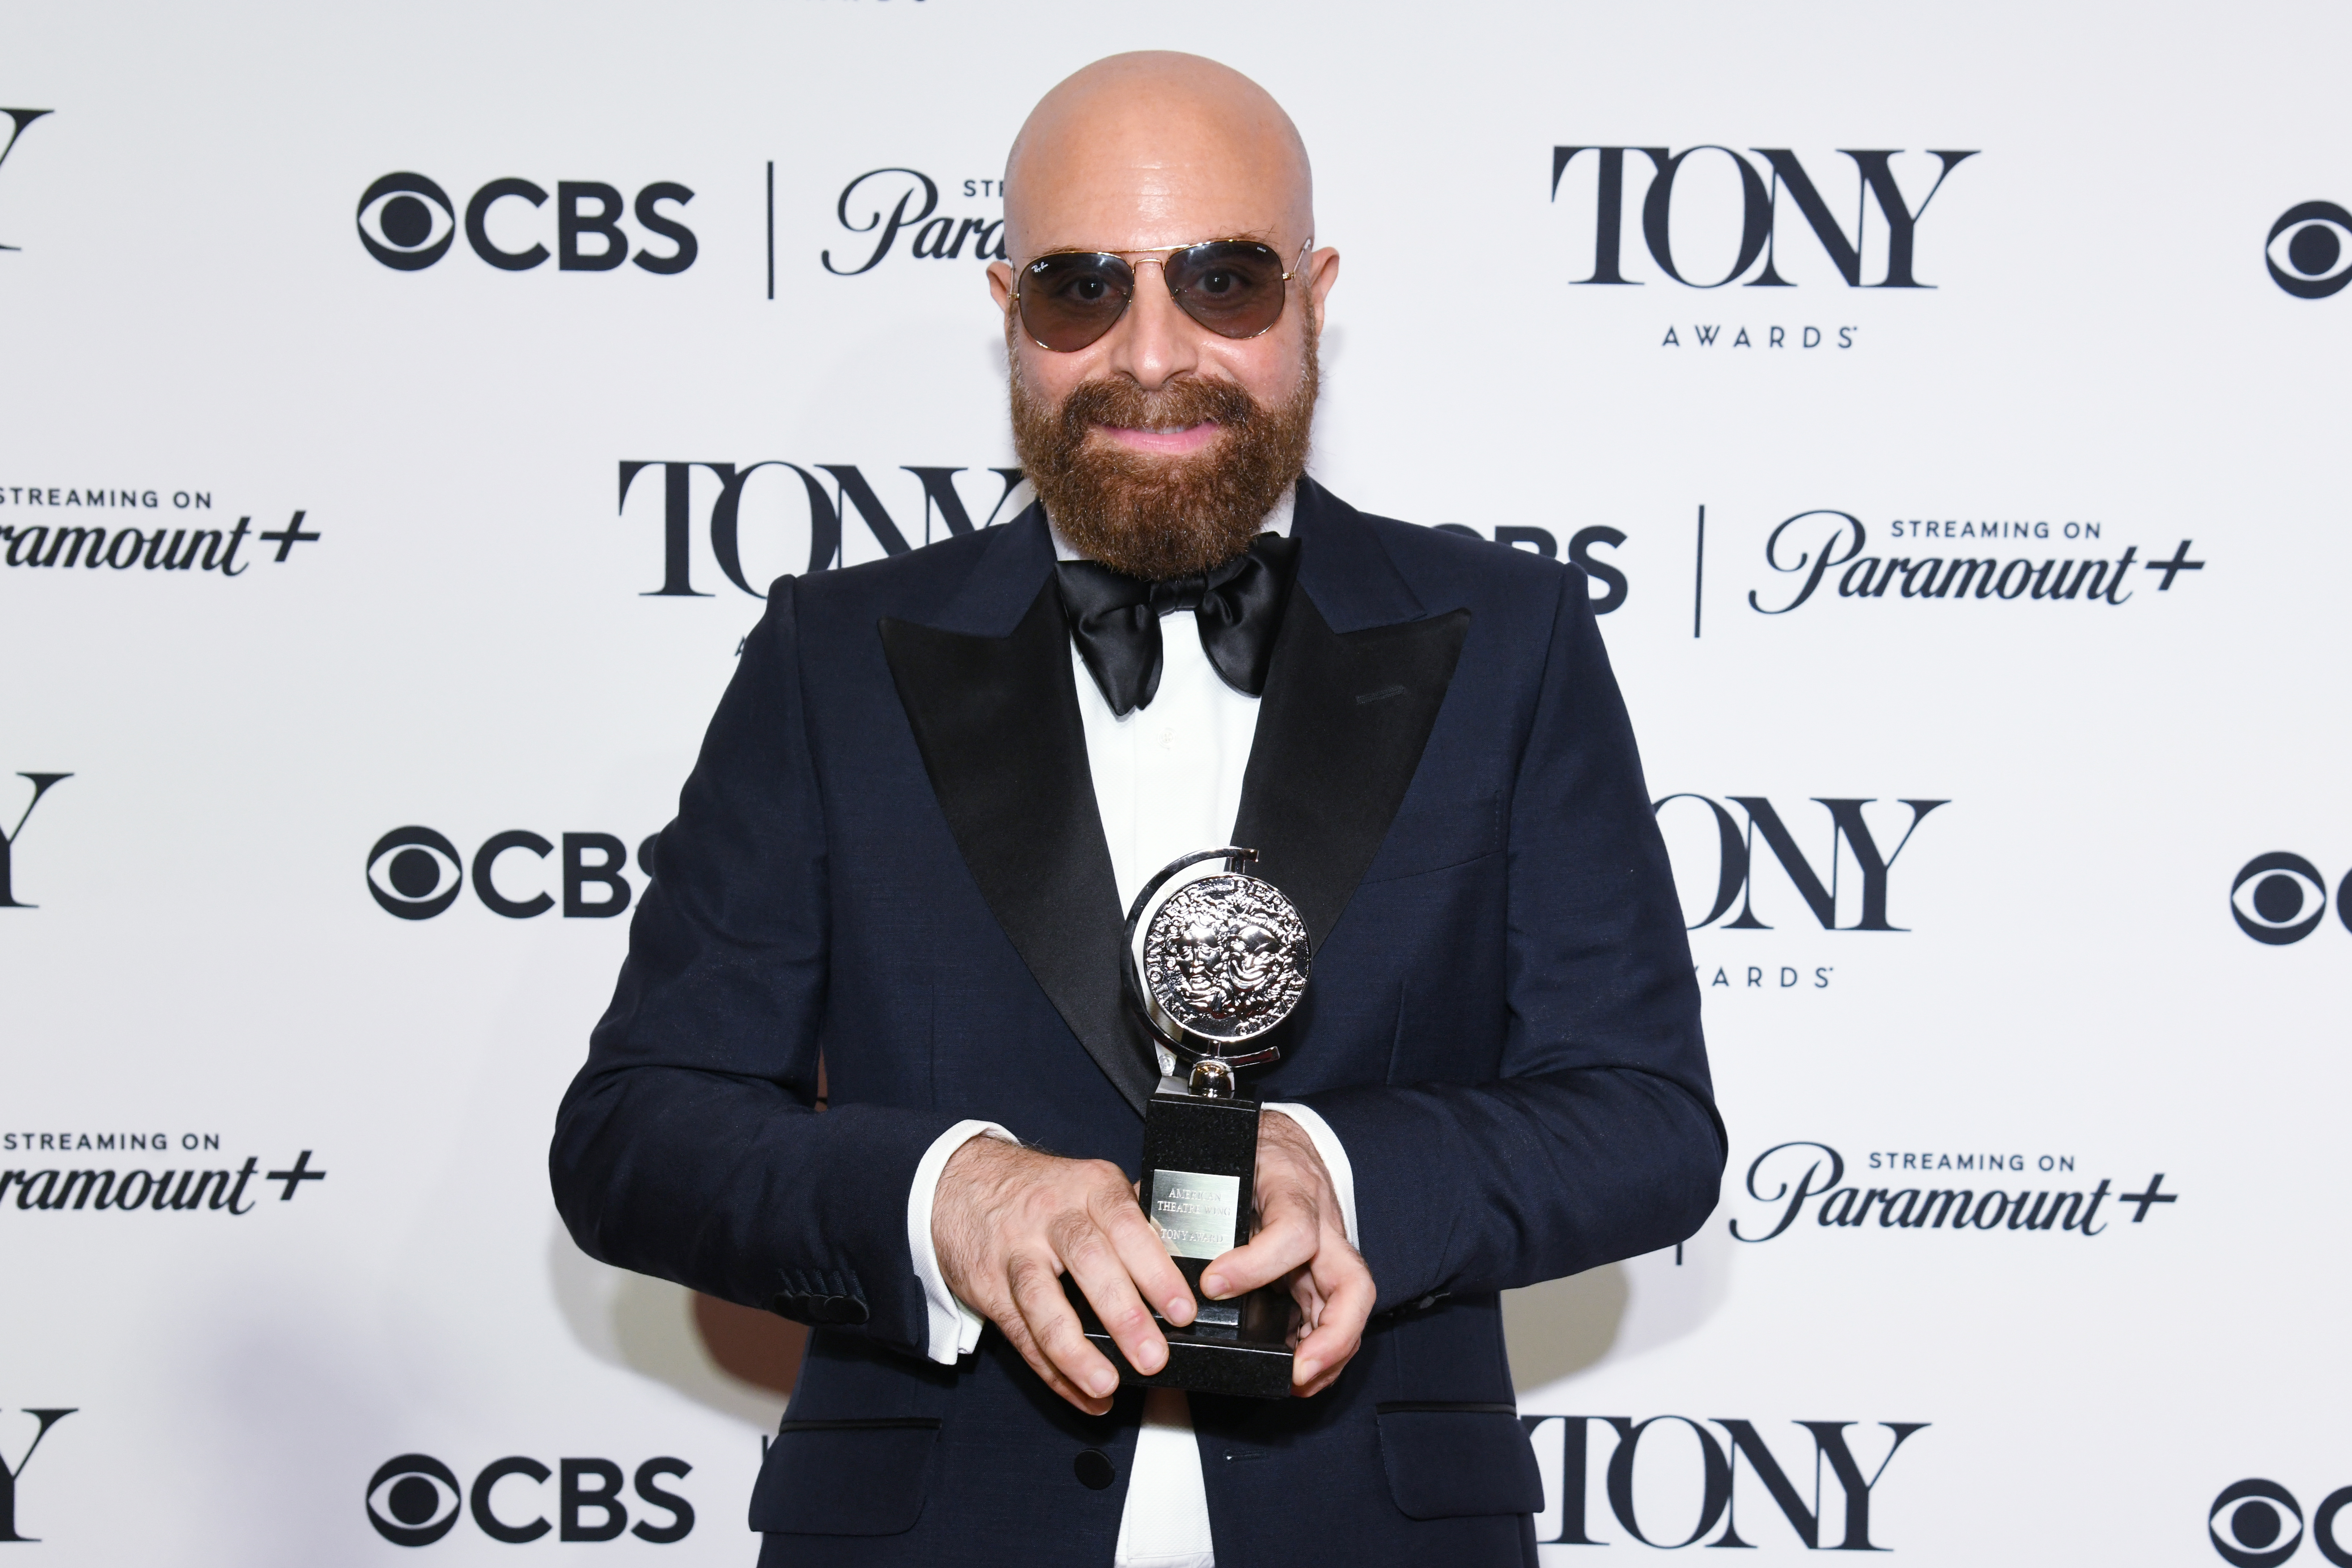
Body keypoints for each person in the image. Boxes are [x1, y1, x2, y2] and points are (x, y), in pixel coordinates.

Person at [552, 50, 1721, 1568]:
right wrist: (941, 1196)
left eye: (1226, 280)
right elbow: (637, 1135)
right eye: (1081, 287)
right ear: (1007, 314)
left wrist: (1335, 1167)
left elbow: (1644, 1121)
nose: (1151, 353)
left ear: (1316, 295)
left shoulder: (1510, 638)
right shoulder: (829, 658)